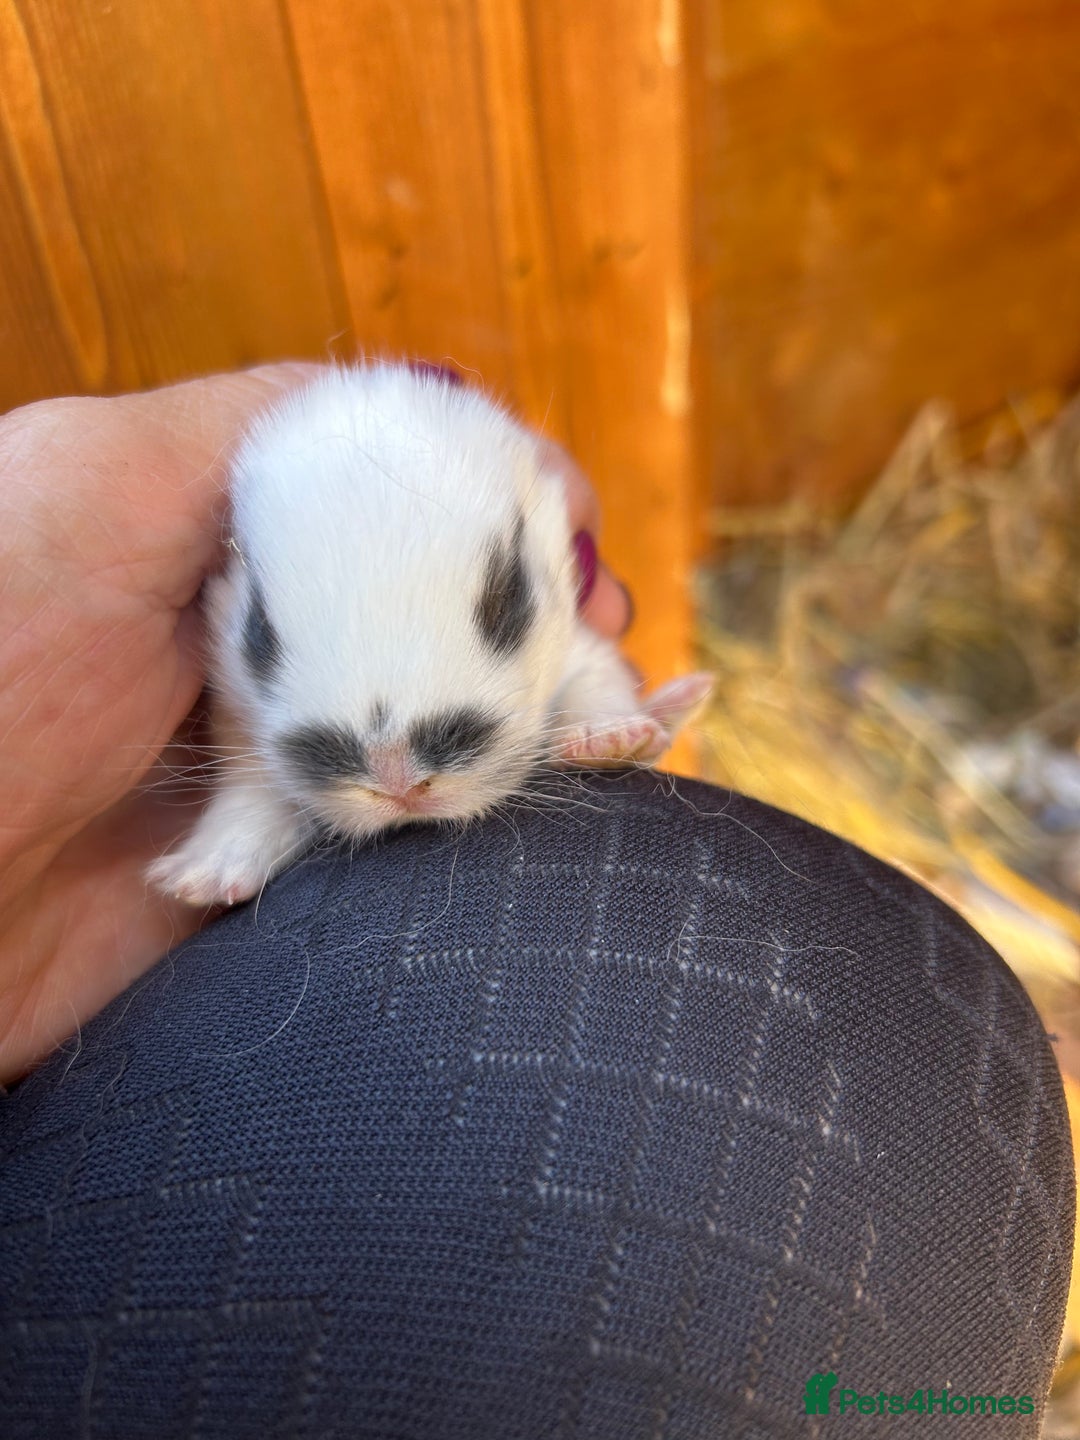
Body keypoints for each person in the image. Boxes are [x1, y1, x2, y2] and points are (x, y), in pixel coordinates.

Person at [0, 369, 1073, 1438]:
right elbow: (248, 745)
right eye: (268, 640)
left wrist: (609, 719)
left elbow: (588, 667)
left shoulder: (517, 541)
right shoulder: (253, 560)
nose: (397, 776)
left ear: (541, 543)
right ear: (239, 592)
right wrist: (245, 823)